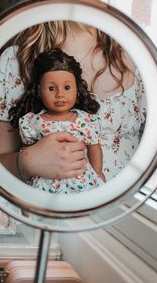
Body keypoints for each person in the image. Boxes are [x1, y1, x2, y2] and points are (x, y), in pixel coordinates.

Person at [0, 21, 146, 182]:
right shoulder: (18, 61)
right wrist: (26, 162)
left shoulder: (139, 58)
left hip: (125, 205)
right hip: (42, 204)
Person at [9, 49, 105, 193]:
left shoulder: (86, 120)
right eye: (51, 88)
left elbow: (94, 148)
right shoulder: (32, 122)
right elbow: (29, 151)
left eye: (67, 87)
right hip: (45, 182)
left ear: (77, 90)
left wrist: (98, 173)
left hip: (80, 179)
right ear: (39, 91)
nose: (60, 94)